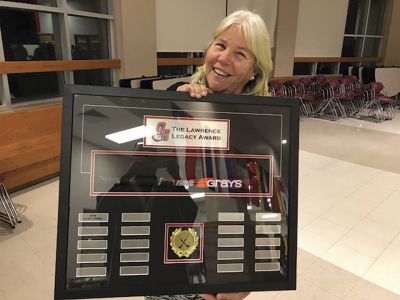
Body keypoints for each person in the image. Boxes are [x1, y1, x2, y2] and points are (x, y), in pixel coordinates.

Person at [145, 9, 273, 300]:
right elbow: (150, 165)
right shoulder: (179, 101)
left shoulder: (261, 126)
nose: (224, 58)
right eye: (221, 45)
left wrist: (253, 272)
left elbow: (267, 202)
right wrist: (178, 95)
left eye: (240, 54)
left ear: (255, 69)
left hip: (221, 253)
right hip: (169, 245)